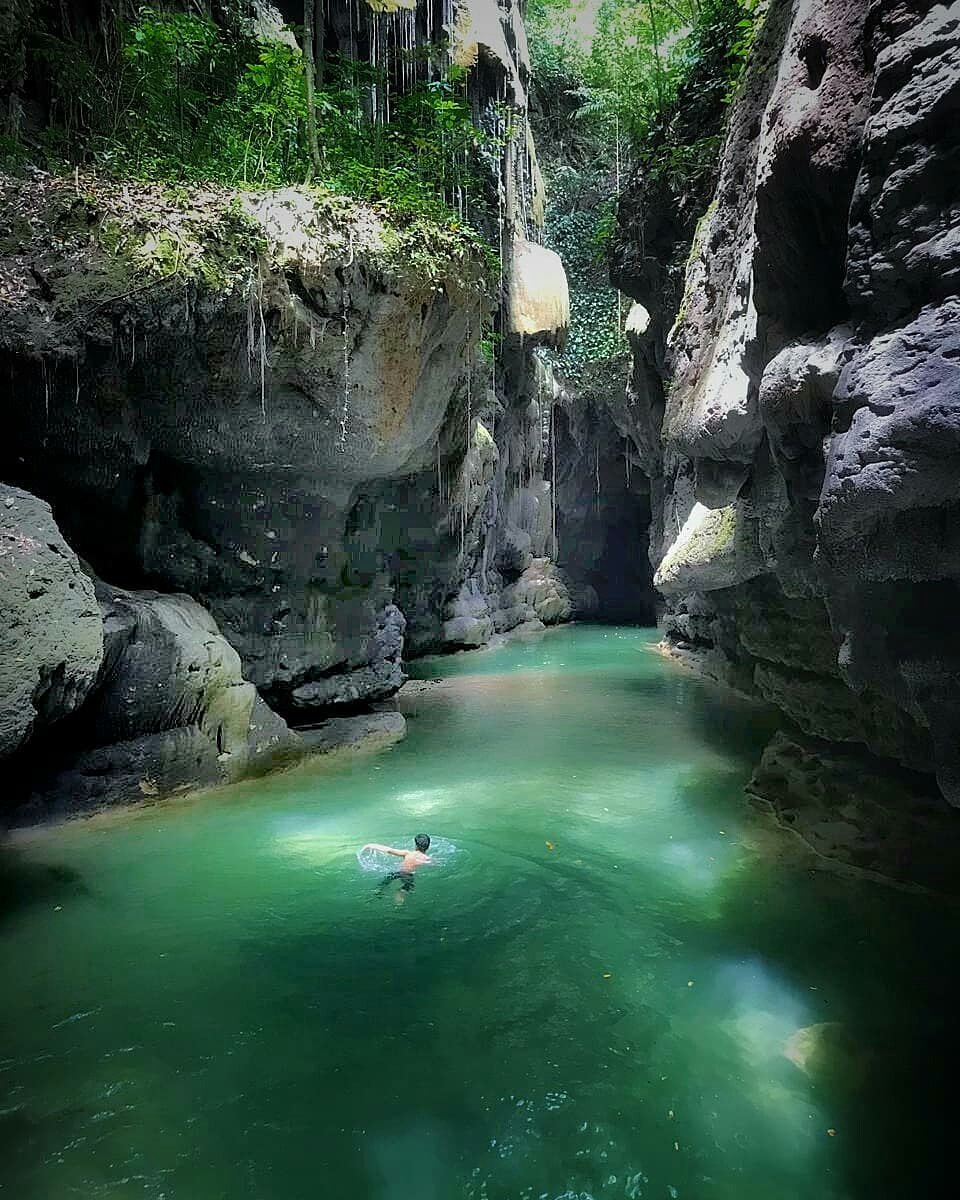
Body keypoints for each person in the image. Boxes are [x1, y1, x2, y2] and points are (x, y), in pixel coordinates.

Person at [363, 835, 432, 904]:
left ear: (415, 845)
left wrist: (371, 845)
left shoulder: (407, 853)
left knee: (385, 882)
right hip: (408, 876)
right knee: (406, 888)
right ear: (428, 846)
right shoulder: (426, 859)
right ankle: (399, 902)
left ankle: (378, 891)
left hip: (398, 872)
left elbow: (389, 850)